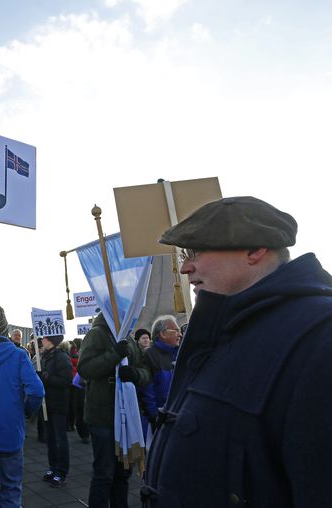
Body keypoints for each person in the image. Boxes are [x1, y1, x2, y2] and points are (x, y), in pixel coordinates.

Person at [141, 196, 332, 507]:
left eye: (196, 252)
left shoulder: (321, 335)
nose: (186, 267)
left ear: (254, 249)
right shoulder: (222, 327)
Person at [0, 305, 43, 508]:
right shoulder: (19, 355)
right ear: (5, 328)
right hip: (10, 432)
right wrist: (27, 411)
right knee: (11, 491)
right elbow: (37, 391)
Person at [78, 313, 152, 508]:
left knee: (123, 472)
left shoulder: (129, 337)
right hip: (103, 415)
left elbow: (145, 370)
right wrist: (114, 355)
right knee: (104, 472)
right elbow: (85, 368)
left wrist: (135, 374)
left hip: (127, 414)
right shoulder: (97, 334)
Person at [39, 334, 73, 487]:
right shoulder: (46, 356)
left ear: (51, 341)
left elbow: (66, 381)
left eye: (44, 338)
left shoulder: (61, 358)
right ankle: (53, 468)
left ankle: (62, 472)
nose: (41, 340)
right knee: (51, 438)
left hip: (58, 404)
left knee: (60, 439)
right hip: (48, 403)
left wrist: (46, 377)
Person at [139, 316, 180, 438]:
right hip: (160, 420)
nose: (180, 334)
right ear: (162, 334)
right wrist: (155, 417)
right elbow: (147, 391)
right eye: (175, 331)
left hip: (178, 416)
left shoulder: (180, 353)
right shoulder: (150, 355)